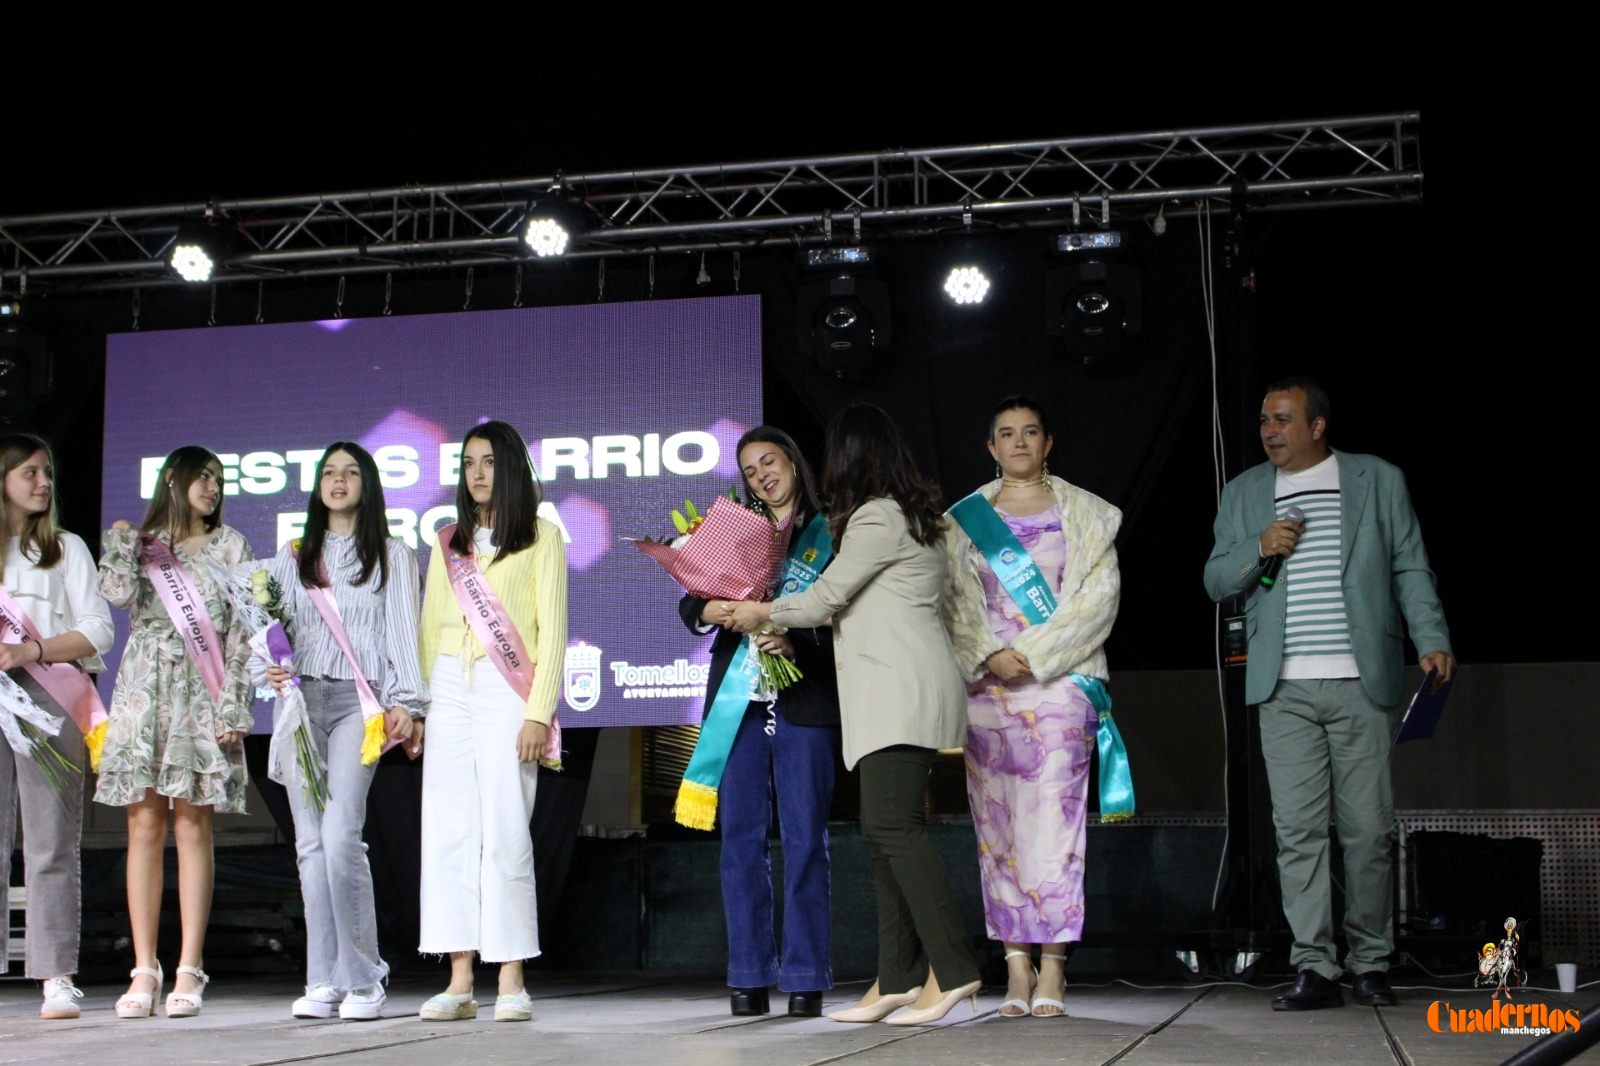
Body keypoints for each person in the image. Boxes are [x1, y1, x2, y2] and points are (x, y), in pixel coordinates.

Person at [1204, 376, 1454, 1010]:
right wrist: (1259, 547)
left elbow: (1408, 563)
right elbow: (1217, 579)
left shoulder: (1375, 479)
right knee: (1298, 832)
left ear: (1317, 426)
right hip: (1281, 686)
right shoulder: (1245, 492)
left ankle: (1370, 962)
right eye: (1265, 420)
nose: (1269, 431)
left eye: (1283, 419)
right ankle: (1315, 965)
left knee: (1368, 831)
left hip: (1361, 680)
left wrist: (1431, 636)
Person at [729, 403, 980, 1026]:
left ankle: (954, 969)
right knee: (882, 831)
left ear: (851, 456)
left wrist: (761, 613)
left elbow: (825, 598)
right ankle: (896, 978)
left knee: (894, 829)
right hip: (899, 692)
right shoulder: (913, 515)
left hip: (897, 693)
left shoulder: (876, 516)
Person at [942, 396, 1121, 1018]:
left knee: (1055, 825)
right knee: (999, 827)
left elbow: (1098, 600)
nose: (1019, 442)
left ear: (1048, 442)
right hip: (989, 689)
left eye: (1030, 431)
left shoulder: (1089, 514)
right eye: (1006, 433)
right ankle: (1016, 965)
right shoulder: (961, 520)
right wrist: (988, 654)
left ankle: (1055, 965)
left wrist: (1034, 654)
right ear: (991, 448)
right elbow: (951, 604)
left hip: (1060, 684)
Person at [256, 442, 426, 1020]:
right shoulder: (292, 556)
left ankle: (365, 977)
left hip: (360, 703)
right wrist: (267, 668)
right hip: (301, 703)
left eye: (351, 472)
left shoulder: (392, 555)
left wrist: (407, 702)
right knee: (308, 845)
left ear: (367, 485)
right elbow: (267, 634)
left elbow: (402, 633)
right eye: (329, 472)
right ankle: (323, 978)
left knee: (340, 837)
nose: (338, 480)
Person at [684, 426, 840, 1018]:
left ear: (794, 462)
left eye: (769, 462)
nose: (761, 477)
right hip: (738, 701)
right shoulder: (734, 526)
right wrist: (708, 606)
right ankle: (748, 973)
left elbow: (846, 613)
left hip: (806, 696)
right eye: (750, 471)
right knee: (740, 839)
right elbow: (691, 598)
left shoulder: (832, 529)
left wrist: (797, 643)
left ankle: (806, 974)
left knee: (805, 839)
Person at [96, 445, 256, 1019]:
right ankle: (144, 966)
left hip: (201, 691)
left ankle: (190, 965)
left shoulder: (232, 545)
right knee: (142, 823)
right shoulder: (144, 547)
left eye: (219, 479)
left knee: (192, 823)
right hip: (145, 689)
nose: (212, 487)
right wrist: (121, 541)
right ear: (173, 479)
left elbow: (244, 632)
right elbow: (116, 596)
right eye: (203, 477)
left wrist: (234, 705)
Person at [416, 420, 567, 1023]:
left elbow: (552, 632)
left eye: (489, 462)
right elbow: (429, 628)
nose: (478, 474)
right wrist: (421, 706)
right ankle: (459, 979)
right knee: (448, 831)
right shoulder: (448, 540)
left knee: (506, 830)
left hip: (509, 689)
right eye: (469, 463)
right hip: (449, 687)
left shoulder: (542, 537)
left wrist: (538, 713)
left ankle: (510, 977)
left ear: (510, 470)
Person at [0, 434, 115, 1019]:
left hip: (50, 691)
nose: (43, 482)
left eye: (46, 471)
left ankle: (56, 975)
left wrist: (32, 650)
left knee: (49, 841)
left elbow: (99, 630)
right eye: (29, 472)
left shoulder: (66, 548)